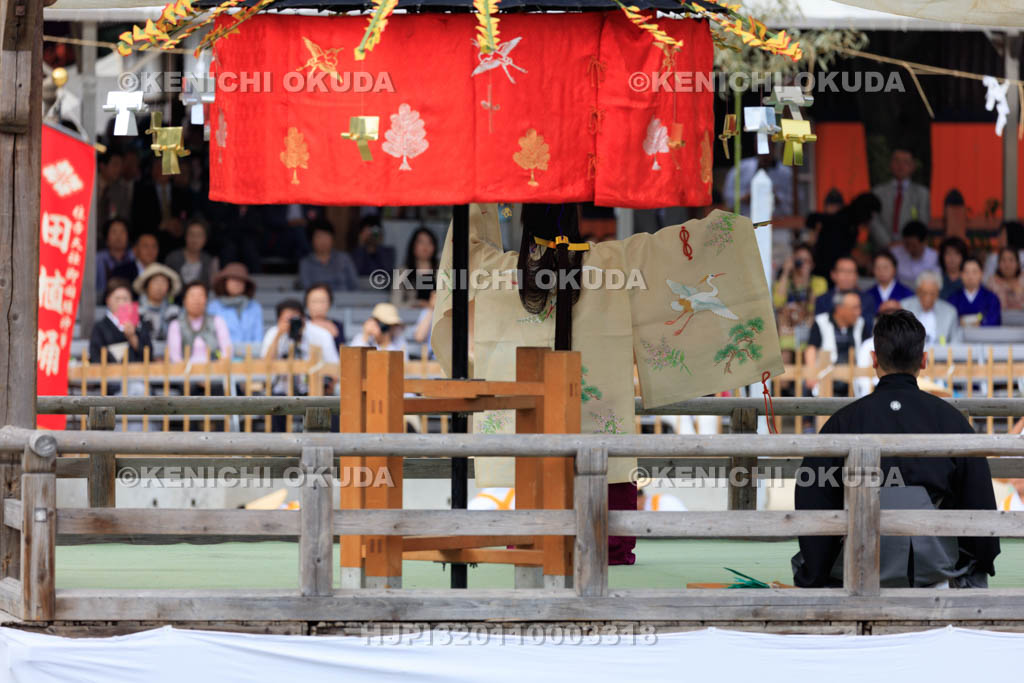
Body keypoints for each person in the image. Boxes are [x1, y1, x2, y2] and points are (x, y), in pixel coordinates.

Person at [432, 204, 783, 567]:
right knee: (607, 528)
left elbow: (465, 250)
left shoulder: (501, 272)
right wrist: (729, 231)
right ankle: (600, 550)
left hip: (534, 427)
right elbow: (668, 253)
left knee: (536, 536)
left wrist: (482, 200)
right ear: (575, 221)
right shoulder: (614, 265)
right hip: (600, 421)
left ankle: (538, 545)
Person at [793, 310, 999, 588]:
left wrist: (816, 572)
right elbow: (979, 498)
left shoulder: (844, 421)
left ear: (874, 359)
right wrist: (980, 562)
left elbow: (813, 495)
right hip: (937, 566)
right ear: (924, 360)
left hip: (859, 563)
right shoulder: (951, 420)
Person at [260, 299, 340, 399]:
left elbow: (334, 367)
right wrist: (279, 335)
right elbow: (265, 364)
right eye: (288, 320)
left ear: (303, 318)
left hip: (313, 393)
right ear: (279, 320)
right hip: (280, 393)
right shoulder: (273, 333)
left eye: (295, 319)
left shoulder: (321, 334)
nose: (292, 323)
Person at [805, 291, 869, 395]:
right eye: (854, 308)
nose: (858, 312)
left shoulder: (861, 323)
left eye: (859, 307)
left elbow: (867, 348)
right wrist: (811, 373)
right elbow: (811, 348)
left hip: (854, 379)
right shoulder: (821, 321)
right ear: (840, 308)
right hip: (826, 377)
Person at [869, 148, 930, 248]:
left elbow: (922, 222)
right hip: (882, 248)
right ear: (890, 164)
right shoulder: (877, 192)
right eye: (896, 161)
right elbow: (874, 221)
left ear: (913, 166)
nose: (900, 166)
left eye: (905, 162)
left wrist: (907, 244)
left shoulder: (922, 193)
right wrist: (887, 244)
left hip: (910, 249)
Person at [773, 243, 828, 353]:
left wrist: (805, 278)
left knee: (809, 351)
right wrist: (786, 272)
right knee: (785, 352)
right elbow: (777, 303)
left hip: (810, 328)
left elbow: (816, 308)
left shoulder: (819, 282)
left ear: (812, 264)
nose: (803, 264)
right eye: (799, 260)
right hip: (788, 331)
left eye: (807, 260)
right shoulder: (784, 283)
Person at [89, 277, 153, 364]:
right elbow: (96, 357)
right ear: (108, 301)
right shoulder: (100, 327)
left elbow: (149, 356)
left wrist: (132, 338)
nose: (122, 303)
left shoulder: (140, 323)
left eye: (125, 299)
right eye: (117, 299)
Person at [166, 281, 232, 362]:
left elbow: (227, 350)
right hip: (185, 371)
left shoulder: (217, 321)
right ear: (184, 301)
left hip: (214, 370)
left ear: (206, 300)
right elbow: (175, 356)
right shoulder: (176, 325)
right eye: (192, 296)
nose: (196, 300)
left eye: (200, 295)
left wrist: (219, 365)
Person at [207, 262, 264, 357]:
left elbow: (258, 338)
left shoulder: (255, 307)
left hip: (251, 360)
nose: (237, 283)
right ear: (224, 282)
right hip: (222, 360)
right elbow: (211, 339)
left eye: (241, 280)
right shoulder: (213, 307)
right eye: (233, 279)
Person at [721, 151, 796, 216]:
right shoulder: (741, 168)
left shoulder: (785, 172)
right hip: (744, 220)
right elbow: (727, 197)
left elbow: (795, 202)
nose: (766, 149)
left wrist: (776, 198)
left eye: (770, 144)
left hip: (778, 224)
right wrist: (746, 197)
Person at [900, 271, 961, 346]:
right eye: (924, 293)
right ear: (918, 291)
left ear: (938, 293)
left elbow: (956, 343)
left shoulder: (950, 312)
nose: (927, 298)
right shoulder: (904, 307)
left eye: (932, 294)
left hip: (941, 356)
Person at [298, 219, 359, 291]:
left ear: (332, 238)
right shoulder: (305, 263)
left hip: (345, 300)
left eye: (326, 236)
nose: (323, 241)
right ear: (311, 240)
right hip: (318, 301)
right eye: (319, 237)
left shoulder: (344, 259)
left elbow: (354, 286)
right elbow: (306, 289)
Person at [132, 263, 181, 342]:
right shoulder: (136, 310)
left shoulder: (175, 311)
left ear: (169, 287)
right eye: (155, 282)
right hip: (143, 353)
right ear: (147, 285)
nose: (159, 286)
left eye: (164, 282)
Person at [946, 257, 1001, 327]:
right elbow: (948, 323)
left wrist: (980, 323)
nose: (970, 276)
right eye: (966, 272)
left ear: (981, 274)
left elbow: (994, 321)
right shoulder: (953, 299)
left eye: (974, 272)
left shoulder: (992, 298)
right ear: (961, 275)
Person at [165, 218, 219, 290]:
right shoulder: (173, 258)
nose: (195, 239)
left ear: (205, 239)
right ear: (185, 236)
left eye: (199, 235)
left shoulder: (209, 261)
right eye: (191, 234)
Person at [393, 226, 439, 307]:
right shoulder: (402, 272)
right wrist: (417, 303)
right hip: (411, 318)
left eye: (429, 242)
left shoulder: (443, 270)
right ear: (413, 246)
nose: (425, 246)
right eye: (421, 242)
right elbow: (395, 303)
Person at [861, 250, 913, 321]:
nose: (881, 271)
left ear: (894, 269)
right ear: (873, 270)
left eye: (885, 267)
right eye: (878, 267)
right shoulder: (867, 294)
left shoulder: (907, 293)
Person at [889, 221, 939, 287]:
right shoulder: (894, 253)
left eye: (914, 246)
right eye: (906, 244)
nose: (909, 249)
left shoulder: (934, 257)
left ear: (924, 242)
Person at [95, 217, 134, 295]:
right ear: (106, 238)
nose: (118, 236)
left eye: (122, 232)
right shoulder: (97, 259)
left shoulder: (133, 258)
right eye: (114, 232)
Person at [305, 283, 346, 349]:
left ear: (329, 303)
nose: (318, 306)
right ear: (307, 303)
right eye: (314, 301)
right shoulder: (302, 323)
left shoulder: (337, 325)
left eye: (322, 301)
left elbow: (342, 351)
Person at [987, 247, 1024, 312]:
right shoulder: (992, 282)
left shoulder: (1022, 279)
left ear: (1018, 264)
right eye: (1003, 260)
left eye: (1011, 260)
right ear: (998, 264)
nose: (1007, 265)